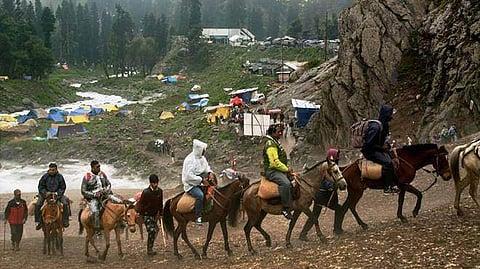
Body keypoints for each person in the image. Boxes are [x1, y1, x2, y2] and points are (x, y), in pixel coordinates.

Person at [299, 148, 342, 241]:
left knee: (314, 215)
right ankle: (337, 229)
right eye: (337, 155)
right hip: (322, 196)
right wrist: (331, 186)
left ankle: (303, 234)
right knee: (338, 209)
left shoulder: (333, 166)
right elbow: (323, 181)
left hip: (323, 195)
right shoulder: (325, 167)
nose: (338, 157)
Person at [361, 104, 400, 194]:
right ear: (387, 114)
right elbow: (368, 143)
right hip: (370, 151)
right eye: (390, 114)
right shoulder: (376, 127)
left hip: (377, 149)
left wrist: (386, 145)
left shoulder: (384, 125)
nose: (392, 116)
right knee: (388, 163)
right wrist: (382, 147)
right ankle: (387, 187)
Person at [81, 160, 124, 233]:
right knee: (95, 211)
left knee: (120, 203)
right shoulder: (87, 177)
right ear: (92, 167)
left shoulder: (102, 174)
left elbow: (108, 183)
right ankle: (97, 228)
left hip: (106, 195)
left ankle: (121, 223)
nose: (99, 168)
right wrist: (94, 194)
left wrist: (107, 189)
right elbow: (83, 191)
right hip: (94, 198)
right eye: (97, 167)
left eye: (99, 166)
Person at [264, 123, 294, 219]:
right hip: (272, 171)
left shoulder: (275, 142)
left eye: (281, 131)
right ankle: (285, 208)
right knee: (286, 184)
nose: (280, 133)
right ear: (272, 133)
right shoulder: (270, 145)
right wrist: (286, 169)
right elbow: (274, 162)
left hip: (278, 170)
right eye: (278, 132)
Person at [182, 139, 215, 225]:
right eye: (203, 150)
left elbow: (207, 167)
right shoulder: (189, 160)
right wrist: (201, 180)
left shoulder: (202, 158)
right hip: (191, 184)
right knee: (200, 195)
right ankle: (198, 216)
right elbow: (188, 176)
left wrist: (210, 173)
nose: (204, 152)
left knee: (215, 188)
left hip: (203, 180)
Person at [34, 162, 70, 230]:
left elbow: (63, 187)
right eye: (50, 170)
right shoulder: (45, 176)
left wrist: (57, 193)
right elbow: (40, 187)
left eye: (53, 170)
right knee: (38, 204)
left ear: (56, 170)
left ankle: (65, 220)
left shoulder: (60, 177)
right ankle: (38, 221)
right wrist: (45, 193)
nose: (51, 171)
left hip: (57, 195)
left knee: (65, 203)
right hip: (45, 195)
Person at [136, 174, 163, 256]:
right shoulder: (146, 192)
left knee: (155, 231)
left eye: (156, 183)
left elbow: (160, 203)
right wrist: (139, 213)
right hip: (146, 214)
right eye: (154, 183)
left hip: (155, 214)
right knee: (151, 230)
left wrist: (161, 213)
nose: (155, 185)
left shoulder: (160, 191)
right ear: (150, 183)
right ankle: (149, 249)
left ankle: (150, 246)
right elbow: (141, 204)